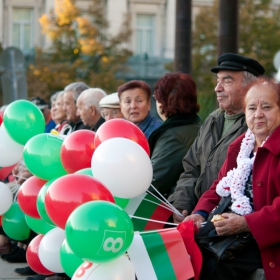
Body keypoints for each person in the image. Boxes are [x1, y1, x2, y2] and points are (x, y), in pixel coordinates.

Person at [183, 76, 280, 280]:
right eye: (252, 108)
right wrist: (200, 212)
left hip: (265, 242)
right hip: (232, 233)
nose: (259, 114)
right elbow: (218, 186)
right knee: (181, 252)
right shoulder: (240, 146)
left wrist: (246, 223)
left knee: (212, 265)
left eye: (267, 107)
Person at [168, 53, 265, 223]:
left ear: (250, 87)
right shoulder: (212, 120)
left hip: (229, 223)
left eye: (227, 81)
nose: (217, 88)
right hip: (199, 217)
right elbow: (192, 167)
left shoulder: (258, 127)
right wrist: (182, 202)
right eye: (217, 80)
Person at [148, 72, 201, 198]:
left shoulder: (173, 136)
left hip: (175, 209)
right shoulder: (195, 125)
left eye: (156, 98)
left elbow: (153, 182)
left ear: (162, 102)